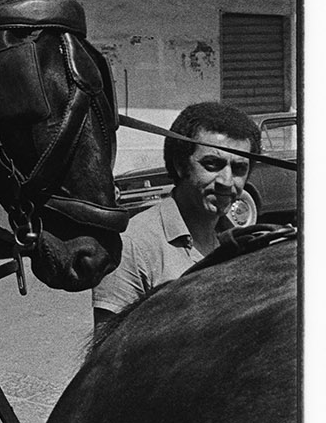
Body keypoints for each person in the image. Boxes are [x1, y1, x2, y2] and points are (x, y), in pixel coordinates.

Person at [92, 101, 261, 327]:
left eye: (239, 168)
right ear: (180, 165)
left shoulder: (242, 244)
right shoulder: (131, 246)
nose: (226, 181)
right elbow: (107, 354)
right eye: (212, 164)